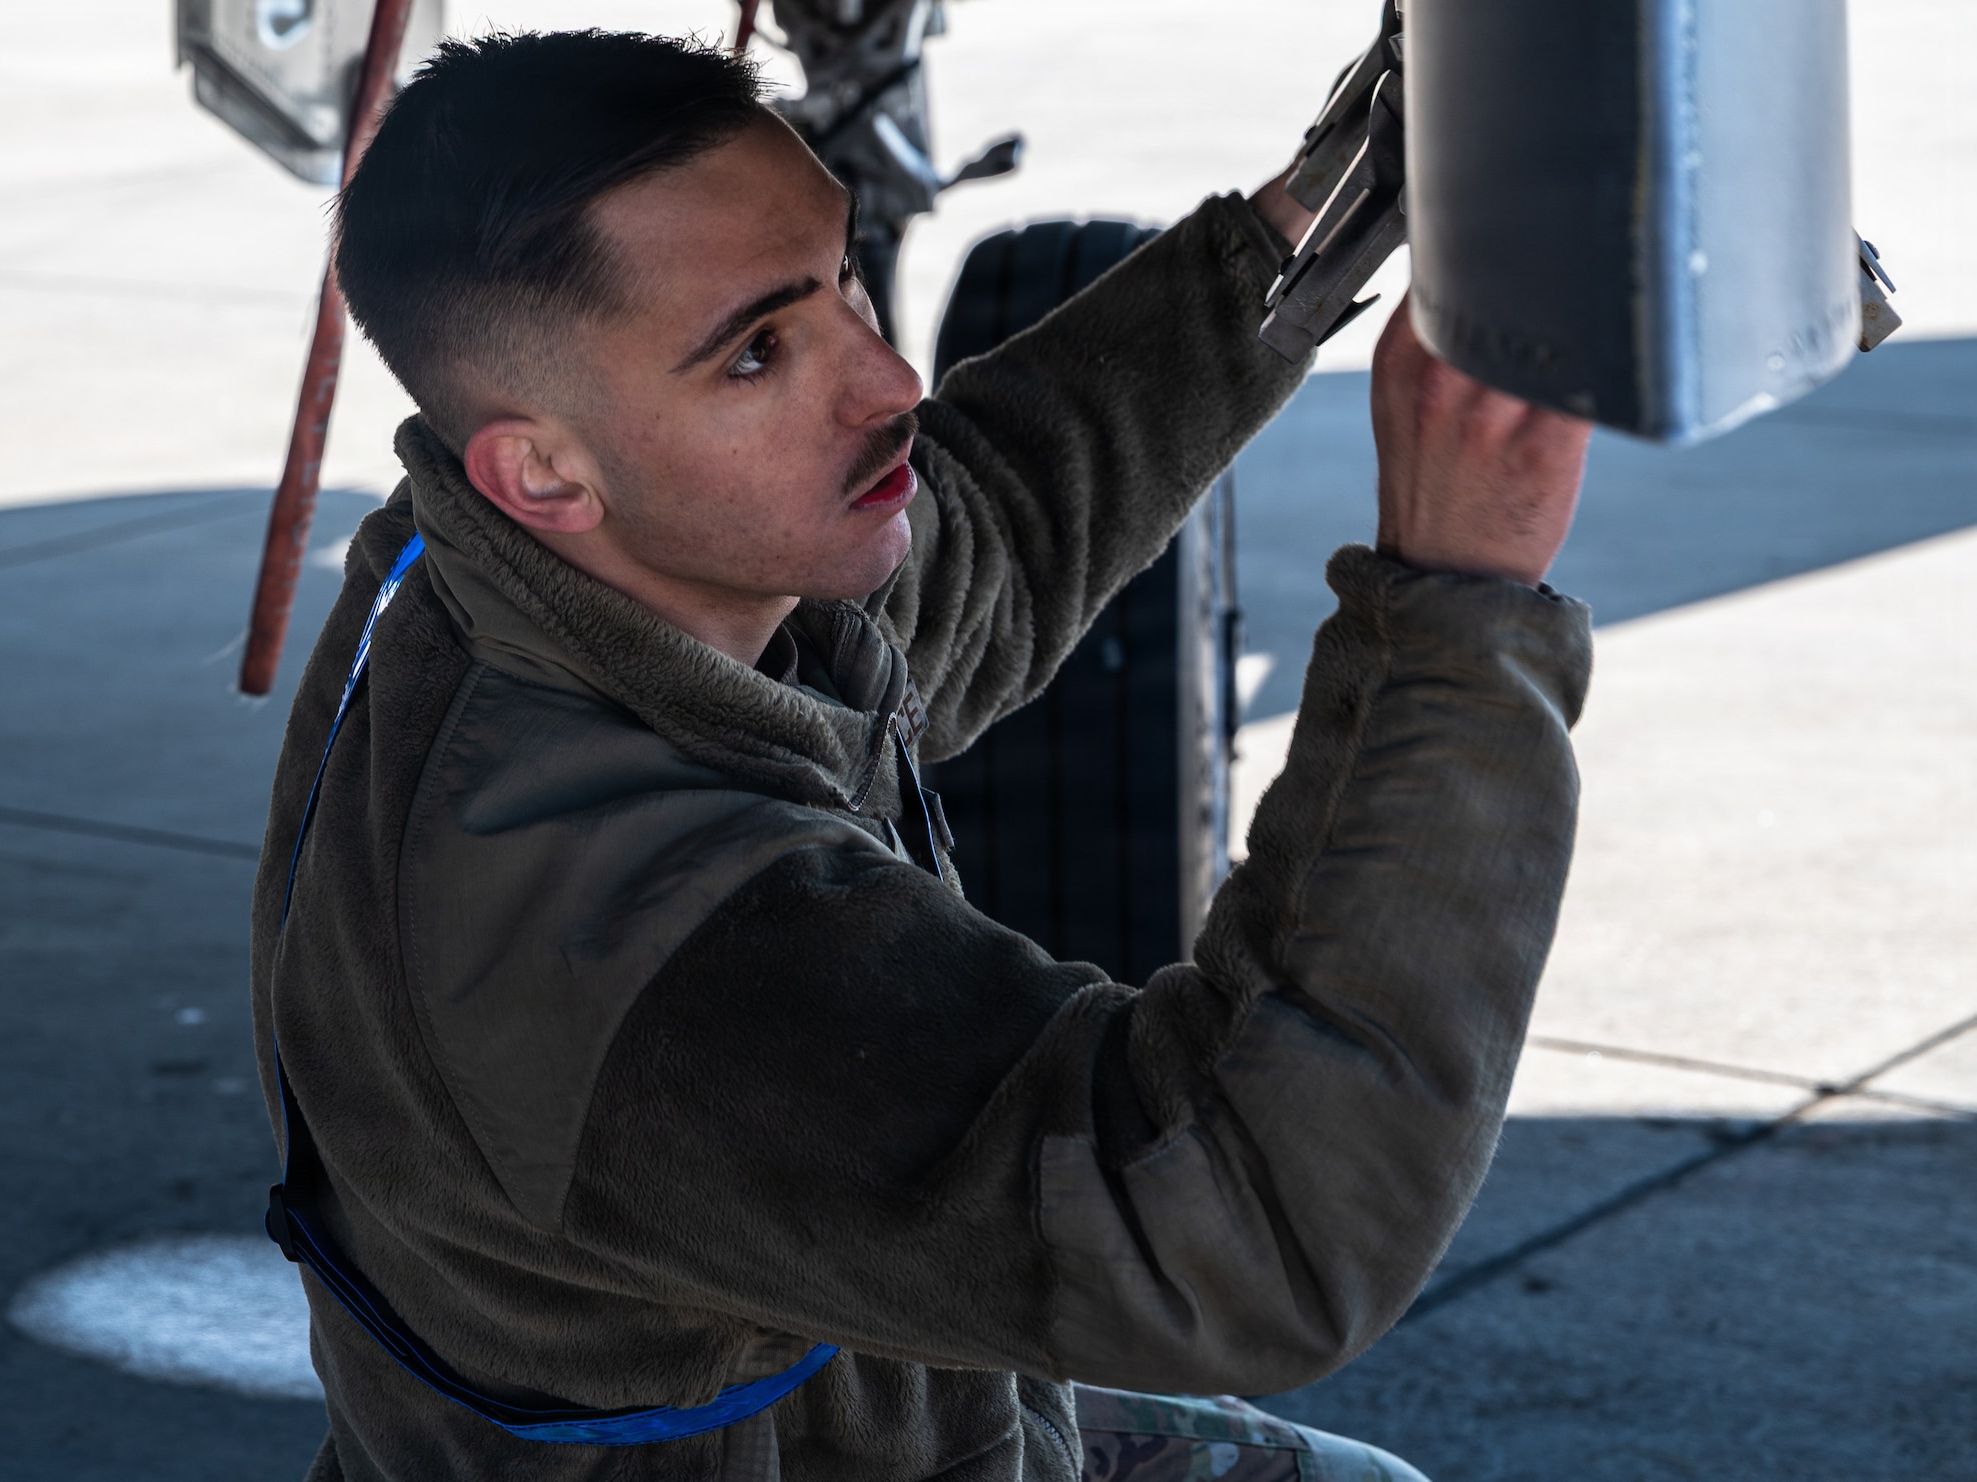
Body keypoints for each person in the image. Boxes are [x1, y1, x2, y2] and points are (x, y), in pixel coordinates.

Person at [256, 29, 1593, 1482]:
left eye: (839, 281)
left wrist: (1330, 210)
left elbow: (990, 542)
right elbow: (1240, 1225)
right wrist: (1458, 603)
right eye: (759, 351)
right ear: (544, 470)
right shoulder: (631, 940)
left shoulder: (511, 564)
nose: (889, 376)